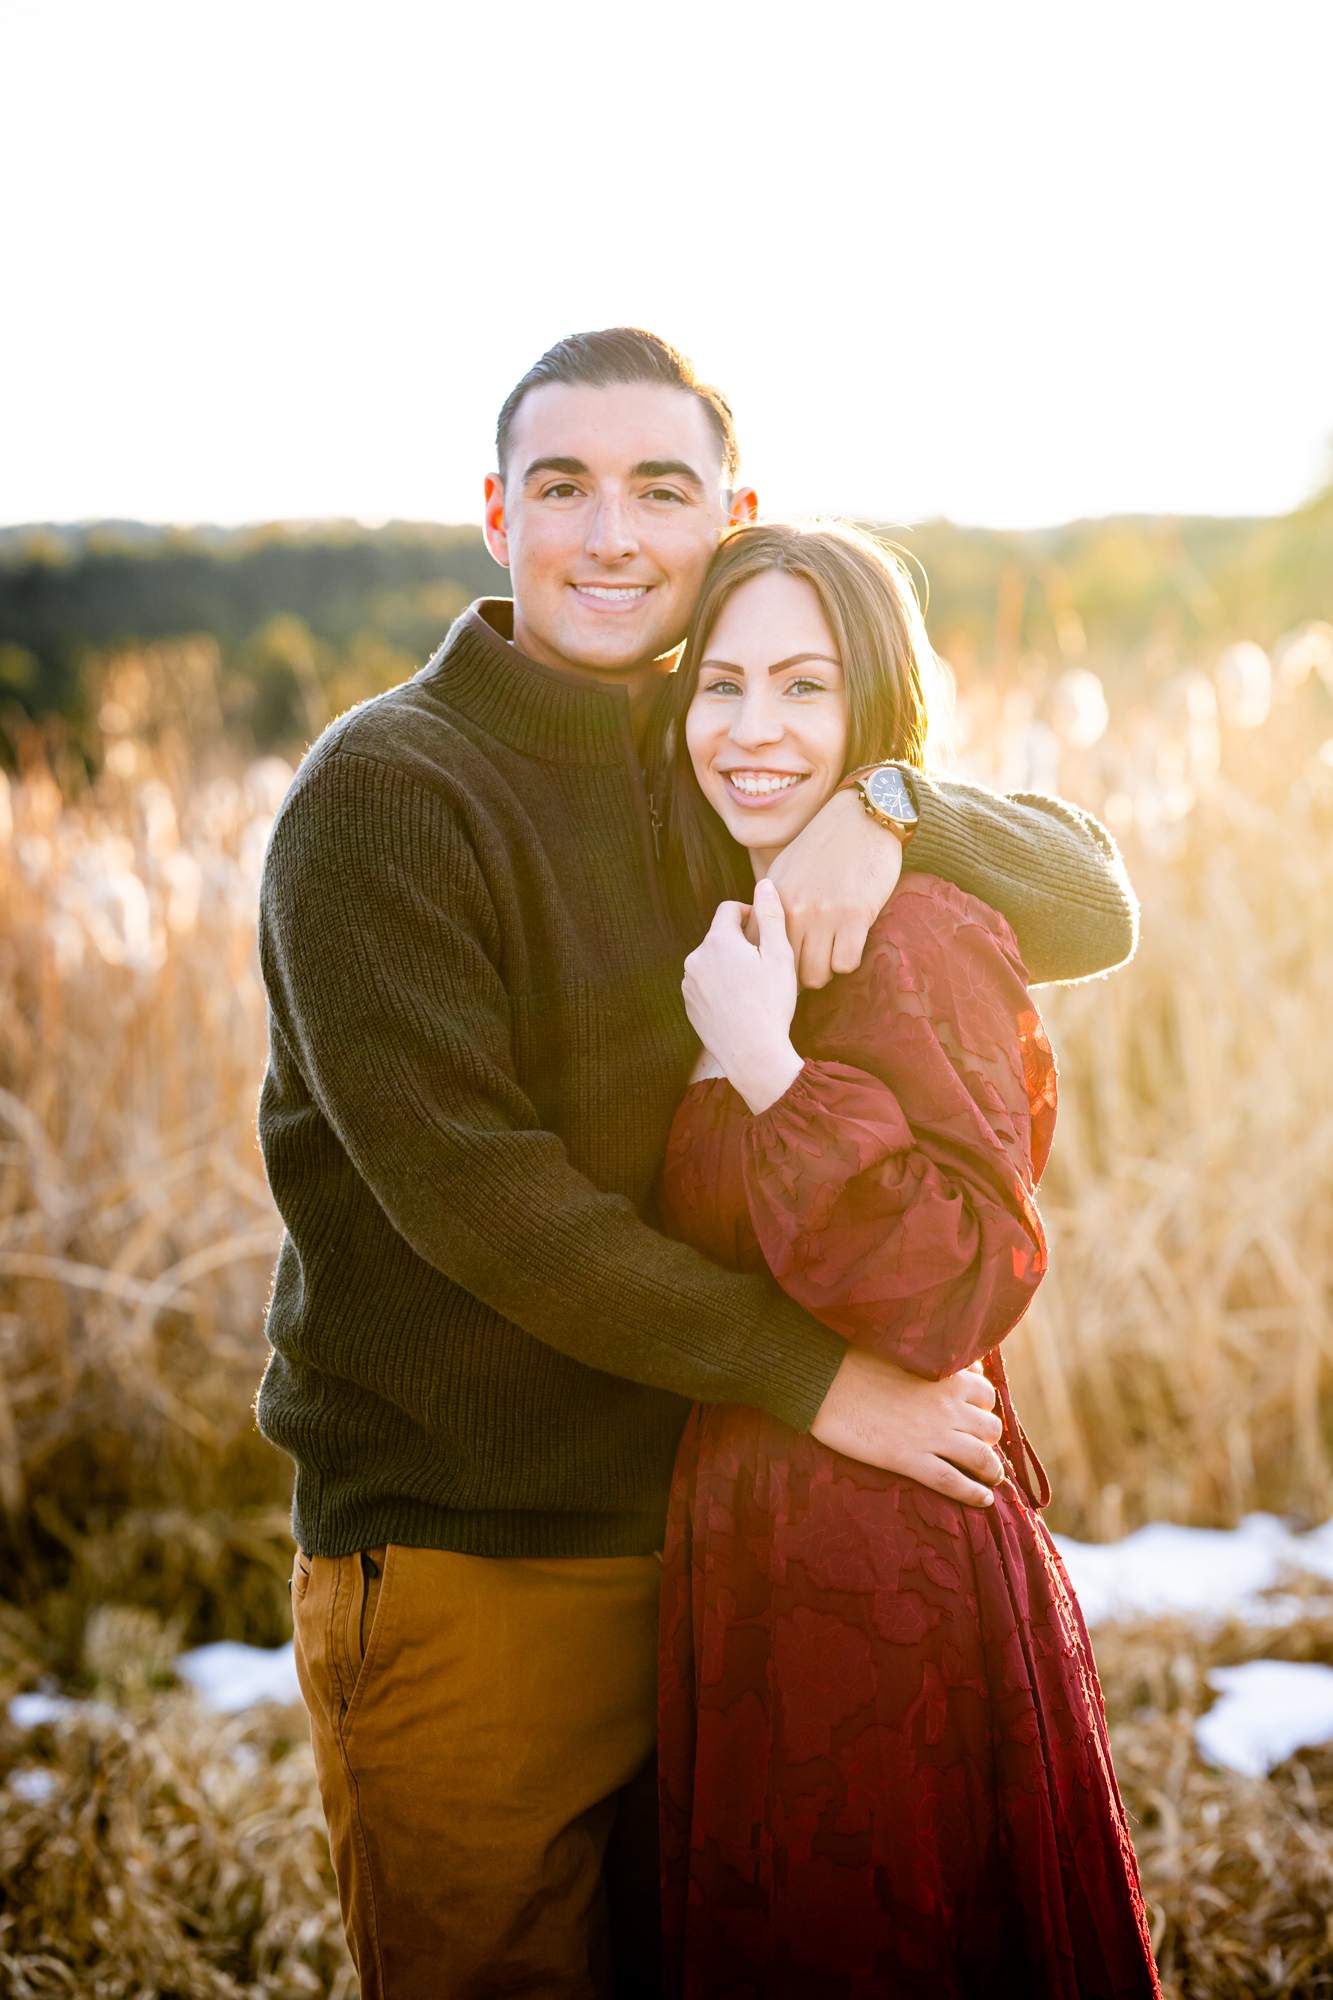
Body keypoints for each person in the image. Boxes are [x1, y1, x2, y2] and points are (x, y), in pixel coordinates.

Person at [256, 328, 1139, 1999]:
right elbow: (481, 1202)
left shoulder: (713, 756)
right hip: (474, 1557)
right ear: (494, 513)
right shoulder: (384, 795)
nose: (611, 534)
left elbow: (1089, 894)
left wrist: (886, 798)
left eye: (659, 491)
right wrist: (810, 1380)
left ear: (727, 513)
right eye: (564, 486)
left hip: (715, 1555)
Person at [649, 519, 1158, 1998]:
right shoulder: (733, 921)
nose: (752, 730)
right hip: (751, 1561)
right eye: (721, 685)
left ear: (871, 707)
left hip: (889, 1572)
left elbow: (961, 1277)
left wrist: (764, 1074)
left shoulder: (921, 926)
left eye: (803, 689)